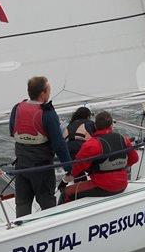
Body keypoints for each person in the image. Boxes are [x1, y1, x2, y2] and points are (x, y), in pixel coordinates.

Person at [9, 76, 71, 217]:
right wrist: (69, 167)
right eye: (49, 89)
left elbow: (13, 131)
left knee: (22, 203)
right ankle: (52, 231)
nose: (50, 92)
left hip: (21, 166)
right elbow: (59, 145)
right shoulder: (48, 113)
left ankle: (21, 232)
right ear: (43, 93)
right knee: (47, 203)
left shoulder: (17, 108)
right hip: (41, 168)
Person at [61, 111, 138, 203]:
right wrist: (119, 165)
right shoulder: (124, 139)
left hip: (102, 186)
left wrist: (64, 181)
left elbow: (77, 168)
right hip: (122, 184)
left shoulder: (91, 144)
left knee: (66, 193)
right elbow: (134, 158)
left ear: (95, 126)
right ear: (111, 126)